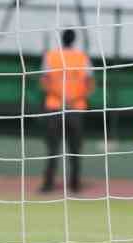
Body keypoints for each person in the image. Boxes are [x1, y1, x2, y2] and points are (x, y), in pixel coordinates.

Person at [38, 29, 93, 195]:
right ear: (74, 40)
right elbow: (89, 83)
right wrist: (74, 97)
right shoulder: (82, 57)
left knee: (53, 148)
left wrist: (60, 96)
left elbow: (44, 81)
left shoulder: (51, 56)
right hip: (76, 107)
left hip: (54, 106)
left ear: (62, 39)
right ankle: (75, 184)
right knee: (75, 148)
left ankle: (48, 184)